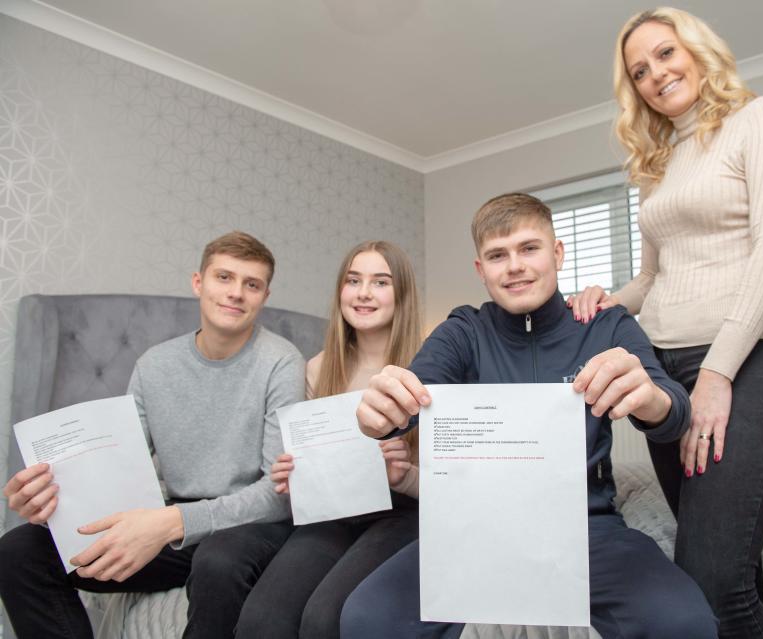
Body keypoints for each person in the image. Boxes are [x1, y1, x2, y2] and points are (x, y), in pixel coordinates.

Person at [341, 193, 717, 639]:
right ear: (481, 270)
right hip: (474, 532)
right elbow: (406, 400)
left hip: (587, 530)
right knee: (366, 618)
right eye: (498, 255)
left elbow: (673, 412)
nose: (514, 266)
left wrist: (651, 398)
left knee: (684, 623)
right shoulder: (463, 332)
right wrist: (378, 413)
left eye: (529, 248)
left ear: (557, 253)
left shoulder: (605, 326)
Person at [566, 8, 763, 638]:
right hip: (667, 370)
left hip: (753, 360)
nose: (656, 75)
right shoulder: (658, 163)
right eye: (640, 70)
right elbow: (655, 277)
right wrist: (605, 300)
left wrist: (717, 372)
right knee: (736, 576)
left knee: (708, 581)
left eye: (666, 54)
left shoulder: (762, 118)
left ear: (699, 50)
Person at [0, 231, 305, 639]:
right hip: (169, 520)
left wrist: (171, 522)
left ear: (264, 296)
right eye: (224, 278)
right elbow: (117, 469)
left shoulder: (281, 361)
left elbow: (276, 494)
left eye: (251, 284)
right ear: (199, 282)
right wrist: (54, 504)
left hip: (245, 526)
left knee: (219, 562)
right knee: (20, 550)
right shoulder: (154, 365)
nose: (236, 293)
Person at [235, 240, 421, 639]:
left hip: (403, 512)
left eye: (380, 282)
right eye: (353, 280)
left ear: (401, 294)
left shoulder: (428, 363)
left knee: (325, 617)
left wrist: (405, 473)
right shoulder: (318, 368)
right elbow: (310, 463)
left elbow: (456, 481)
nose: (364, 293)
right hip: (333, 512)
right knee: (261, 620)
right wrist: (291, 475)